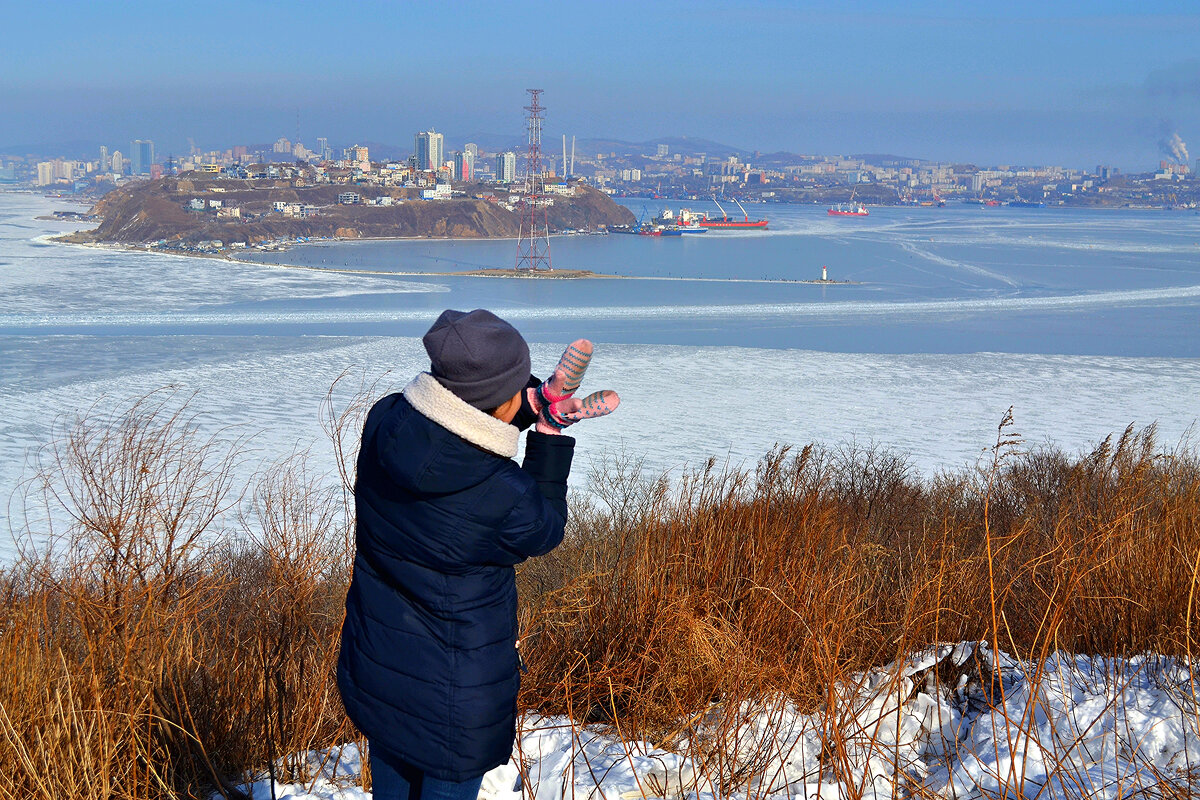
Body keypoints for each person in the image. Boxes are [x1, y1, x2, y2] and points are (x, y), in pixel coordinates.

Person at [337, 308, 618, 800]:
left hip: (382, 668)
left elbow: (457, 426)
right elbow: (544, 529)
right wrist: (548, 438)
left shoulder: (385, 421)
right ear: (498, 400)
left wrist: (529, 403)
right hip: (455, 699)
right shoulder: (500, 491)